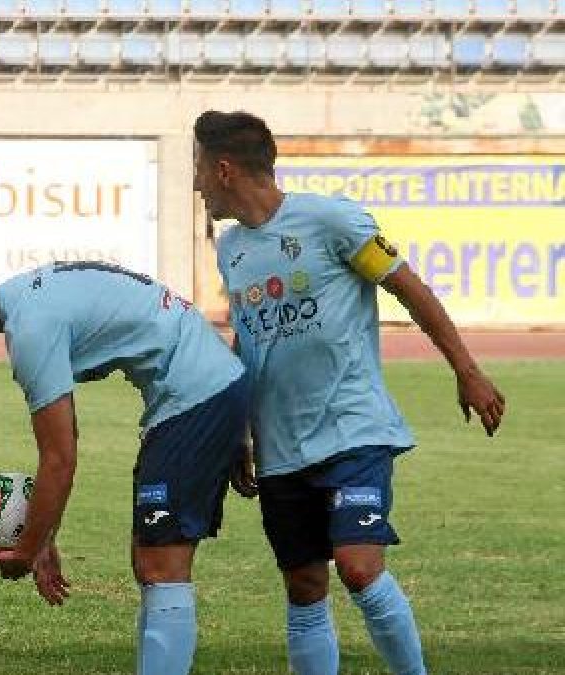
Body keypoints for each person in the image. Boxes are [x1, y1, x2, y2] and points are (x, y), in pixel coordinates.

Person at [194, 110, 506, 675]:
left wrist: (467, 368)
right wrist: (238, 430)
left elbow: (411, 291)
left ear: (223, 169)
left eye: (197, 168)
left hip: (352, 431)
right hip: (281, 448)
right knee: (306, 586)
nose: (195, 184)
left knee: (359, 568)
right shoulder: (231, 248)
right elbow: (248, 338)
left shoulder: (333, 220)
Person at [0, 250, 250, 675]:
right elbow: (65, 445)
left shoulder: (30, 329)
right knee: (152, 561)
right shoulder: (30, 293)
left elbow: (60, 458)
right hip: (209, 387)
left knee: (160, 564)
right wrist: (42, 535)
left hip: (196, 397)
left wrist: (27, 551)